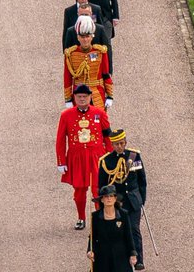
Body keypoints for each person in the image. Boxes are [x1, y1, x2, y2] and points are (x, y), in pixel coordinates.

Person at [56, 84, 111, 229]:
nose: (82, 99)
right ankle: (81, 218)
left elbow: (107, 136)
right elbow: (60, 140)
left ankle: (100, 217)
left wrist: (111, 156)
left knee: (98, 189)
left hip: (96, 157)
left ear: (90, 97)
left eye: (85, 97)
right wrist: (61, 161)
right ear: (74, 98)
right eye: (79, 97)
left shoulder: (99, 113)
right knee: (79, 191)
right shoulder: (66, 116)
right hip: (77, 158)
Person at [97, 129, 147, 269]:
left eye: (121, 143)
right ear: (112, 145)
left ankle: (138, 259)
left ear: (125, 142)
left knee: (134, 228)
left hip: (133, 200)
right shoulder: (106, 161)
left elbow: (142, 181)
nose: (119, 146)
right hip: (117, 202)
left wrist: (141, 200)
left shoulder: (134, 156)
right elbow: (101, 185)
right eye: (116, 144)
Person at [64, 17, 113, 110]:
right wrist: (68, 99)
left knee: (98, 121)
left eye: (87, 36)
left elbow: (106, 74)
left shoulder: (100, 52)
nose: (85, 40)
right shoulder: (70, 54)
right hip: (79, 95)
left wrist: (110, 95)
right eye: (82, 37)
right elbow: (67, 77)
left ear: (92, 37)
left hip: (97, 93)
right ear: (78, 37)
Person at [86, 185, 137, 272]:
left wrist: (132, 253)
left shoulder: (123, 215)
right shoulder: (95, 216)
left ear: (115, 198)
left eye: (111, 196)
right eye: (106, 196)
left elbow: (128, 235)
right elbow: (93, 237)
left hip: (121, 256)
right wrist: (90, 250)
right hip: (102, 256)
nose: (109, 199)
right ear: (102, 200)